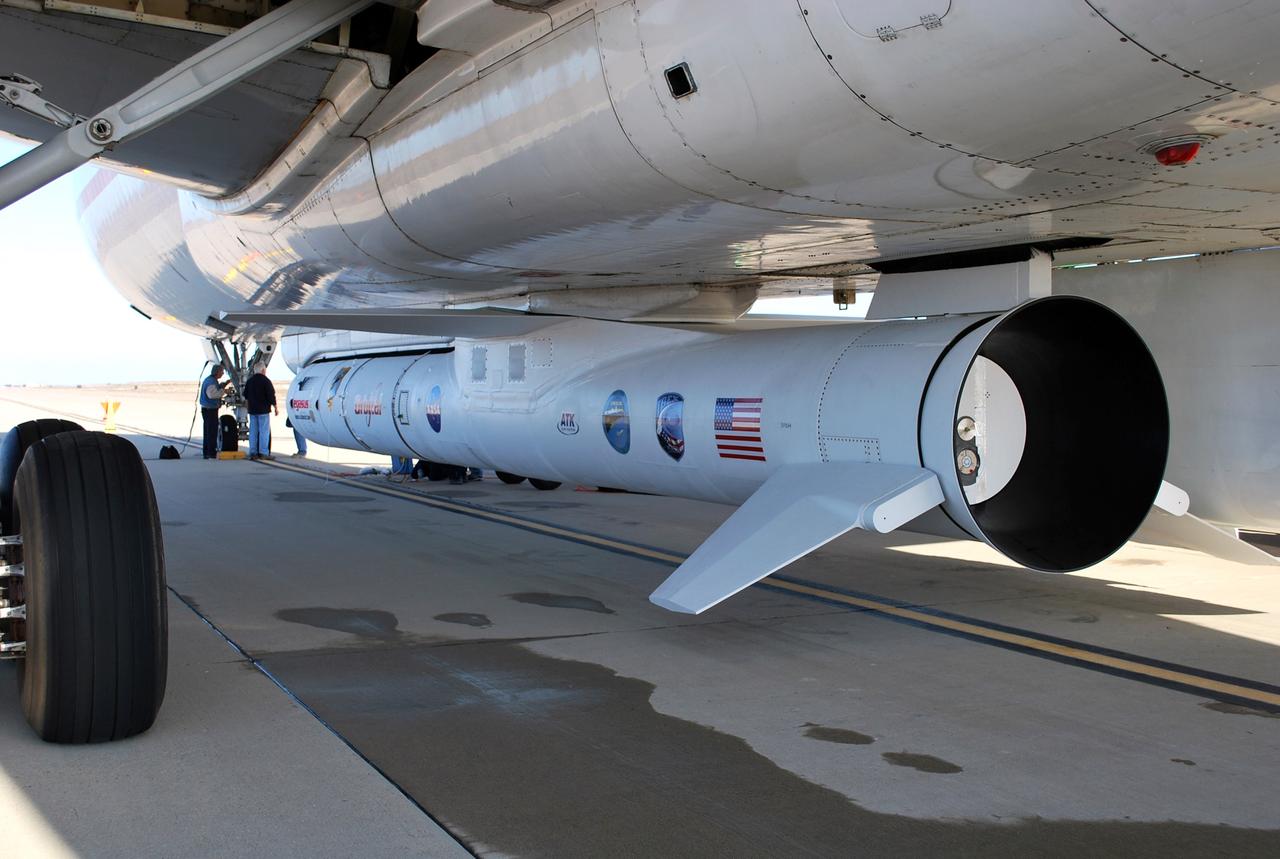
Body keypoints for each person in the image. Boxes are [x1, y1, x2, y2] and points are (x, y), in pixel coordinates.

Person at [243, 363, 277, 460]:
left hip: (252, 411)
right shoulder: (266, 381)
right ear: (263, 370)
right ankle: (263, 453)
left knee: (253, 432)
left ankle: (253, 452)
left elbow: (245, 395)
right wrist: (275, 407)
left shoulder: (250, 381)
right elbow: (271, 396)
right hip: (263, 411)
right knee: (264, 432)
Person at [198, 366, 228, 459]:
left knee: (208, 431)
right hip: (210, 410)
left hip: (208, 410)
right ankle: (210, 453)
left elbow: (214, 390)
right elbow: (212, 394)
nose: (223, 373)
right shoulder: (211, 382)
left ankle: (207, 452)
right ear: (217, 372)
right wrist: (224, 391)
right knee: (211, 432)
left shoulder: (211, 380)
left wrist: (223, 385)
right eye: (222, 371)